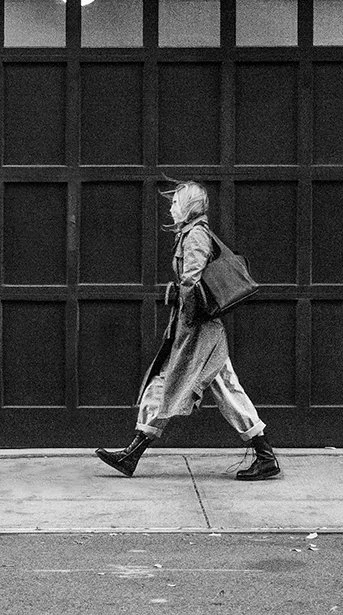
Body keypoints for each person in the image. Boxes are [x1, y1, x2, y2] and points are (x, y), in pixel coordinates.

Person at [95, 181, 281, 481]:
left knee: (201, 387)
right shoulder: (191, 233)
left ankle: (265, 456)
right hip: (196, 331)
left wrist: (186, 315)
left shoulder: (195, 235)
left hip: (199, 333)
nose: (170, 208)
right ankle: (132, 454)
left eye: (175, 203)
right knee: (187, 385)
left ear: (188, 206)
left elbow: (192, 282)